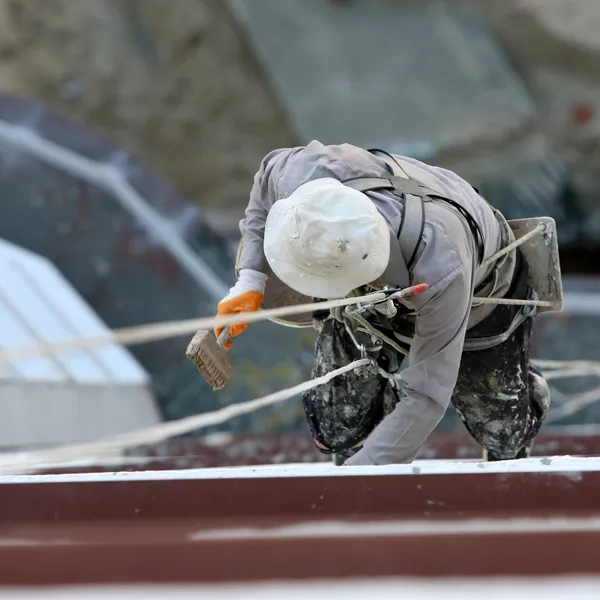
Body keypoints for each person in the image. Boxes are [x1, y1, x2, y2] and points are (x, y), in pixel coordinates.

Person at [213, 140, 551, 466]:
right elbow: (264, 182)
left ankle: (526, 395)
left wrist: (364, 472)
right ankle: (374, 421)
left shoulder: (443, 265)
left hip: (479, 292)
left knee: (501, 430)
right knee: (335, 424)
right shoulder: (305, 173)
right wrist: (250, 280)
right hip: (365, 294)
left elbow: (428, 396)